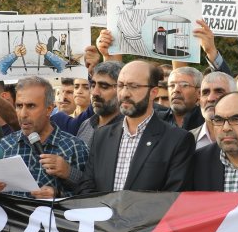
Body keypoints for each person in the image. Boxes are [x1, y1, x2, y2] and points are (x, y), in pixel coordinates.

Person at [79, 61, 194, 193]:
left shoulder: (177, 140)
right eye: (120, 85)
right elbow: (87, 187)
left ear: (153, 92)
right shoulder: (101, 136)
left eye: (133, 86)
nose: (124, 93)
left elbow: (173, 196)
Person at [0, 76, 89, 198]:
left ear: (49, 109)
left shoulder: (75, 148)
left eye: (31, 106)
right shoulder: (4, 146)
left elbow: (90, 194)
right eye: (19, 106)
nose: (23, 114)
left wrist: (61, 190)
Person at [76, 61, 123, 147]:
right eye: (93, 85)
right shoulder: (86, 125)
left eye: (104, 87)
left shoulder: (128, 129)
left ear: (121, 89)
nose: (95, 93)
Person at [189, 71, 234, 149]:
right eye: (205, 93)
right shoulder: (188, 139)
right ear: (199, 99)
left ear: (234, 96)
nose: (210, 98)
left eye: (219, 92)